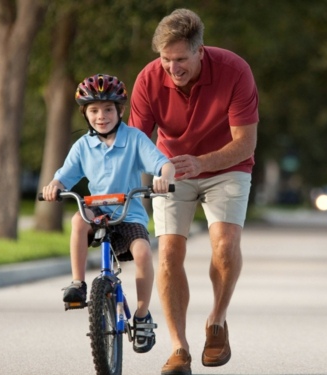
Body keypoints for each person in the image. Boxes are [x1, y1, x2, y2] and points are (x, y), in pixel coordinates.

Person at [128, 8, 259, 375]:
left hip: (227, 166)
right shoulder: (149, 79)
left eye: (181, 59)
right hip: (172, 167)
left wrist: (202, 163)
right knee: (168, 252)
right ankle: (179, 348)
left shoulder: (234, 71)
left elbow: (245, 144)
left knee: (225, 243)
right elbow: (136, 144)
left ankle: (216, 321)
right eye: (166, 60)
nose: (172, 68)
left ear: (201, 51)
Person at [41, 73, 175, 354]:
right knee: (79, 218)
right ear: (85, 114)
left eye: (107, 109)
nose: (101, 116)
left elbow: (163, 163)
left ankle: (141, 316)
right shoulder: (83, 147)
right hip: (98, 212)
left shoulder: (134, 139)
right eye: (94, 110)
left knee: (142, 253)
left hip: (128, 214)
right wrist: (54, 186)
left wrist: (163, 177)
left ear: (120, 111)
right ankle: (78, 283)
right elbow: (63, 177)